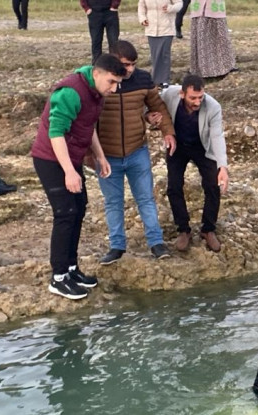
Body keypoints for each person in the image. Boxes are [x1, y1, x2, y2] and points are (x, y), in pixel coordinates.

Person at [30, 54, 126, 300]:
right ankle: (58, 277)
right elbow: (56, 133)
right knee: (65, 213)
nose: (114, 89)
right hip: (51, 158)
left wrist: (100, 156)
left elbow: (87, 125)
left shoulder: (96, 92)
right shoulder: (71, 92)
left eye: (118, 84)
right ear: (97, 74)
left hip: (71, 158)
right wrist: (69, 172)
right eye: (112, 82)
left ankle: (71, 268)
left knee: (79, 207)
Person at [95, 40, 175, 265]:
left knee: (146, 199)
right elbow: (84, 117)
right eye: (125, 65)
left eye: (133, 64)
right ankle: (117, 247)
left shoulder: (142, 79)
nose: (129, 70)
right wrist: (90, 157)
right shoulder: (100, 82)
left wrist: (167, 131)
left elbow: (157, 106)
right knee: (113, 202)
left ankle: (156, 243)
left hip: (137, 150)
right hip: (107, 156)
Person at [155, 74, 228, 252]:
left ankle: (208, 229)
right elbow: (154, 105)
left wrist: (223, 167)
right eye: (192, 98)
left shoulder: (213, 107)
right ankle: (183, 229)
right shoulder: (169, 94)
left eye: (200, 97)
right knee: (173, 186)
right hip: (177, 145)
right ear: (182, 94)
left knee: (212, 185)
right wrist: (160, 125)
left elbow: (217, 136)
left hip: (202, 147)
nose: (197, 102)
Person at [138, 0, 182, 87]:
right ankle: (155, 80)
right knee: (155, 55)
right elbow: (141, 6)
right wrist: (142, 19)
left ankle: (165, 80)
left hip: (167, 28)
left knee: (164, 55)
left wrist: (170, 8)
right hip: (151, 28)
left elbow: (179, 4)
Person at [188, 0, 236, 78]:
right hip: (200, 9)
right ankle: (204, 71)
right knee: (202, 41)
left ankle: (226, 66)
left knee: (221, 38)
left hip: (215, 8)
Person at [81, 0, 120, 64]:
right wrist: (86, 8)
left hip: (110, 12)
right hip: (94, 12)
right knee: (96, 40)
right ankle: (96, 65)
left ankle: (115, 63)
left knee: (113, 40)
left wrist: (115, 5)